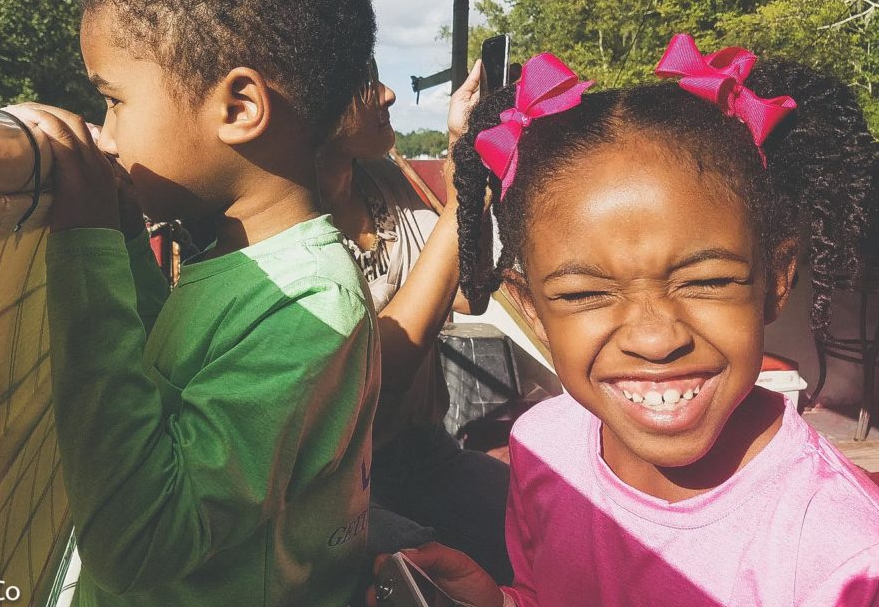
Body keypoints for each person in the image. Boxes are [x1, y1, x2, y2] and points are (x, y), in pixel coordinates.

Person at [370, 35, 879, 606]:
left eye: (707, 281)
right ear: (533, 311)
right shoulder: (544, 448)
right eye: (586, 293)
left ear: (775, 282)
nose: (656, 338)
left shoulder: (844, 556)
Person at [5, 0, 381, 607]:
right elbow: (165, 371)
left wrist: (83, 252)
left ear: (238, 107)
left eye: (113, 100)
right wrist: (117, 236)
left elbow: (143, 538)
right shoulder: (242, 264)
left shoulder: (310, 305)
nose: (105, 133)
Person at [317, 59, 513, 585]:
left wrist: (466, 155)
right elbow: (382, 371)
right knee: (415, 571)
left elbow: (470, 295)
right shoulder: (283, 231)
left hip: (428, 452)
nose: (387, 94)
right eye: (364, 80)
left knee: (540, 522)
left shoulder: (383, 183)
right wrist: (460, 197)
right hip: (340, 493)